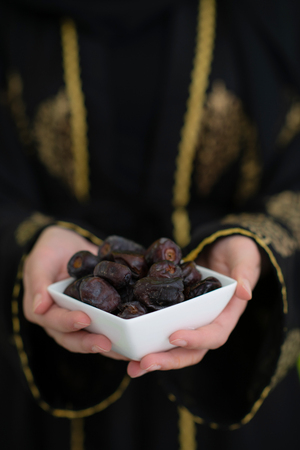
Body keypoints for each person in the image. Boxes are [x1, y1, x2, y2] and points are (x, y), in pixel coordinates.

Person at [1, 0, 300, 449]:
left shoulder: (276, 15)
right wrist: (30, 239)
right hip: (49, 399)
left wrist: (255, 243)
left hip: (231, 388)